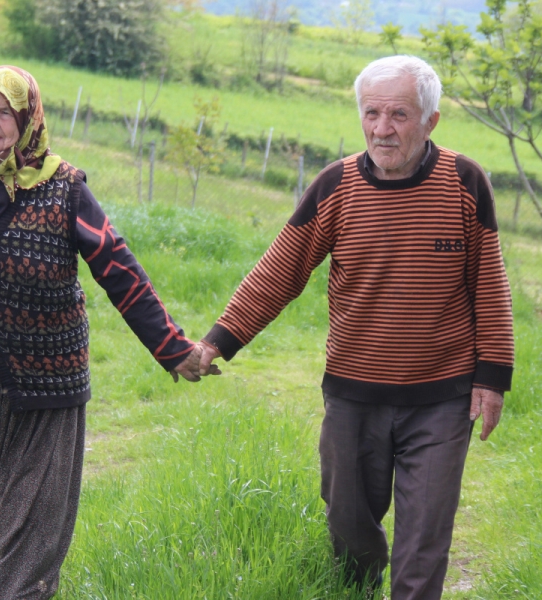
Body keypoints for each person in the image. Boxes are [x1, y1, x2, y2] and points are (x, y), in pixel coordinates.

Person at [0, 65, 216, 599]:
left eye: (4, 113)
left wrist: (172, 349)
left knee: (24, 550)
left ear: (27, 119)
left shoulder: (63, 188)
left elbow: (116, 266)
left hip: (42, 385)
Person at [198, 55, 514, 599]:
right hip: (353, 395)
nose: (382, 129)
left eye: (399, 114)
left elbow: (490, 283)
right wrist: (217, 341)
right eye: (371, 113)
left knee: (425, 537)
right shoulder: (335, 187)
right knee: (350, 529)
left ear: (431, 120)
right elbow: (280, 271)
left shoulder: (464, 182)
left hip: (441, 396)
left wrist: (493, 376)